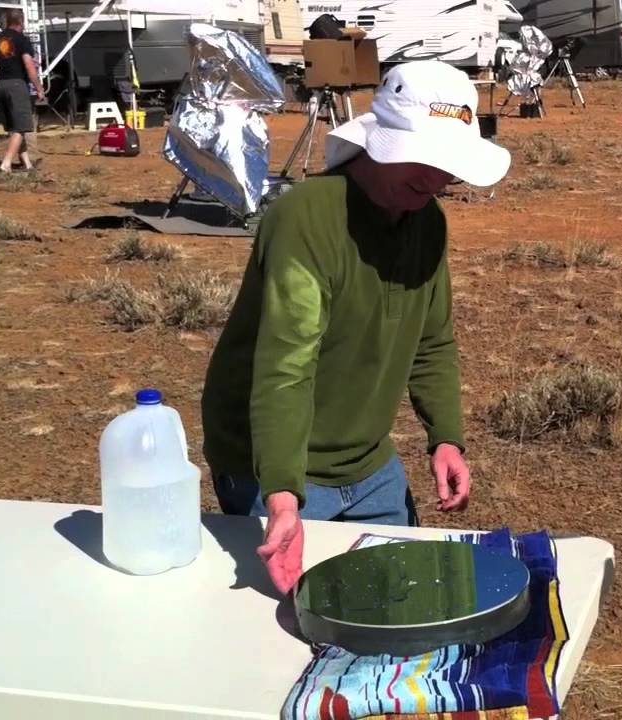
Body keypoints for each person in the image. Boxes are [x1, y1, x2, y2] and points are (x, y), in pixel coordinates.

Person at [201, 61, 511, 595]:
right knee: (300, 626)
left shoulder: (427, 222)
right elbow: (285, 366)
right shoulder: (308, 218)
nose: (437, 180)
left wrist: (446, 439)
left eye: (449, 165)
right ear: (381, 140)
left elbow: (432, 342)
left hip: (369, 460)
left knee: (395, 600)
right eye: (426, 160)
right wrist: (281, 497)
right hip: (276, 466)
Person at [0, 9, 44, 173]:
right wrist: (39, 88)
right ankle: (6, 164)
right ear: (20, 22)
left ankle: (28, 164)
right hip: (17, 86)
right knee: (22, 128)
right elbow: (28, 66)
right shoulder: (22, 39)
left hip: (1, 85)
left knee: (15, 127)